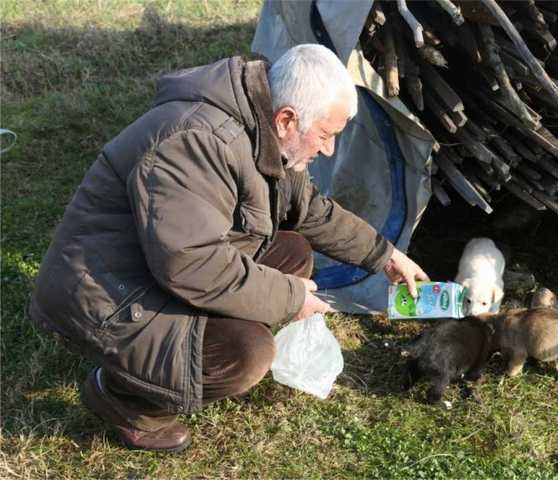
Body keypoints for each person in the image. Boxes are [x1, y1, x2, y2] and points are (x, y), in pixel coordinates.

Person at [29, 44, 428, 453]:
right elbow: (191, 264)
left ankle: (184, 340)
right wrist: (289, 299)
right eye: (326, 135)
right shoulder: (197, 143)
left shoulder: (263, 130)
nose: (328, 150)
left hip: (153, 265)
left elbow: (308, 210)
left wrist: (385, 256)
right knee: (246, 354)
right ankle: (122, 396)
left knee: (291, 253)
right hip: (105, 295)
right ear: (287, 120)